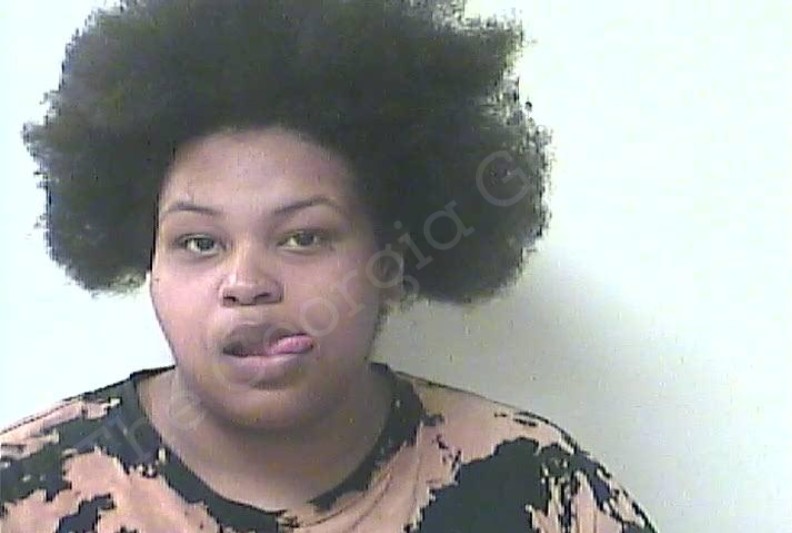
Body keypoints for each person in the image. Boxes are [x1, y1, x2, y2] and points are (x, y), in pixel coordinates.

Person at [0, 1, 657, 531]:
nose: (247, 283)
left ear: (390, 259)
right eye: (199, 243)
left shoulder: (532, 484)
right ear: (146, 260)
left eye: (303, 237)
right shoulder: (27, 492)